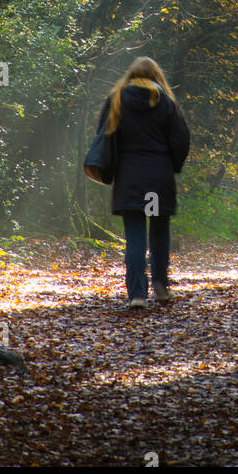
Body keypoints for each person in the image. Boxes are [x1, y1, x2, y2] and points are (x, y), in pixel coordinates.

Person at [94, 56, 190, 308]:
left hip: (130, 177)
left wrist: (112, 170)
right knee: (159, 232)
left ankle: (137, 293)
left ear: (130, 75)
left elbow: (104, 136)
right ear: (156, 76)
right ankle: (160, 285)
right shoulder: (166, 102)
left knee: (135, 236)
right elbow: (181, 140)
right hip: (158, 177)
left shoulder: (116, 100)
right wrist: (173, 165)